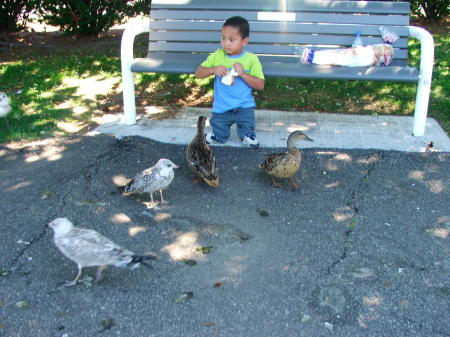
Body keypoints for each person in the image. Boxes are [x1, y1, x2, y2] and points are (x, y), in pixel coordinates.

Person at [195, 16, 265, 149]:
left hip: (244, 106)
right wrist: (213, 69)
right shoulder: (217, 56)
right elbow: (198, 73)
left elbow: (260, 84)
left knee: (247, 129)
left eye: (231, 39)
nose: (225, 43)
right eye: (223, 38)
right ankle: (218, 135)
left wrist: (243, 74)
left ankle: (247, 134)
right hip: (222, 106)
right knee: (219, 133)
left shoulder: (251, 59)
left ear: (245, 41)